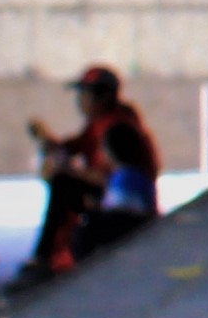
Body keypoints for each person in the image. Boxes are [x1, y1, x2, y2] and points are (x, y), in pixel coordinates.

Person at [21, 66, 164, 281]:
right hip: (109, 193)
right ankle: (49, 256)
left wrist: (65, 169)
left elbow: (113, 179)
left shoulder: (117, 126)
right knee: (64, 183)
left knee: (64, 185)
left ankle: (46, 257)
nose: (80, 101)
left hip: (124, 205)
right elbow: (74, 146)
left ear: (104, 96)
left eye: (85, 94)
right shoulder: (99, 122)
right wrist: (48, 142)